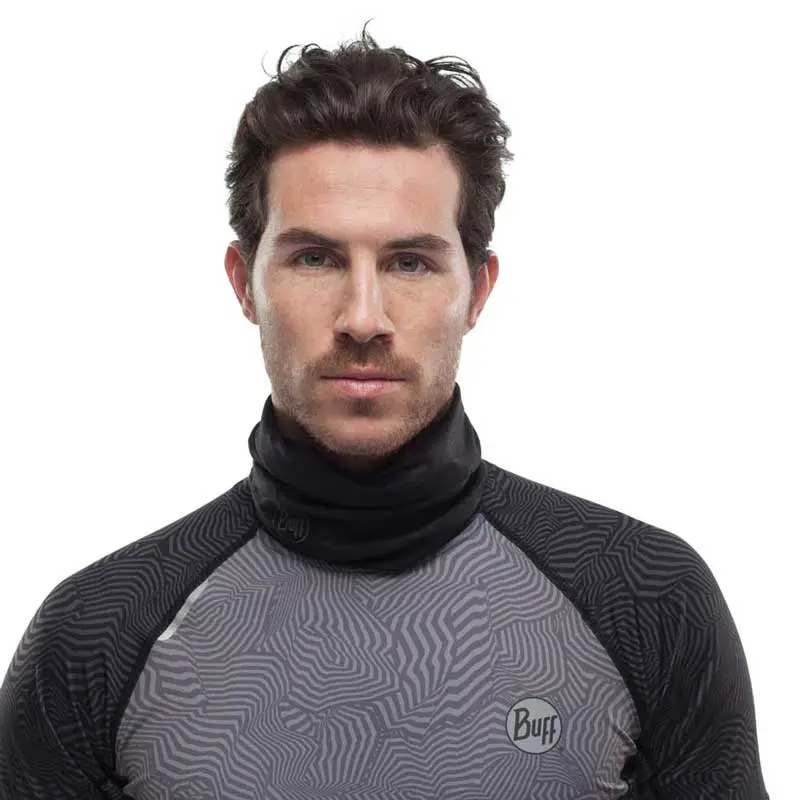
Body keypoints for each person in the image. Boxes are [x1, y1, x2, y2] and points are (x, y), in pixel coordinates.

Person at [0, 26, 769, 800]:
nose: (363, 318)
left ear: (477, 290)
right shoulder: (97, 635)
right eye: (315, 258)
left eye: (409, 262)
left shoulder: (645, 598)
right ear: (244, 284)